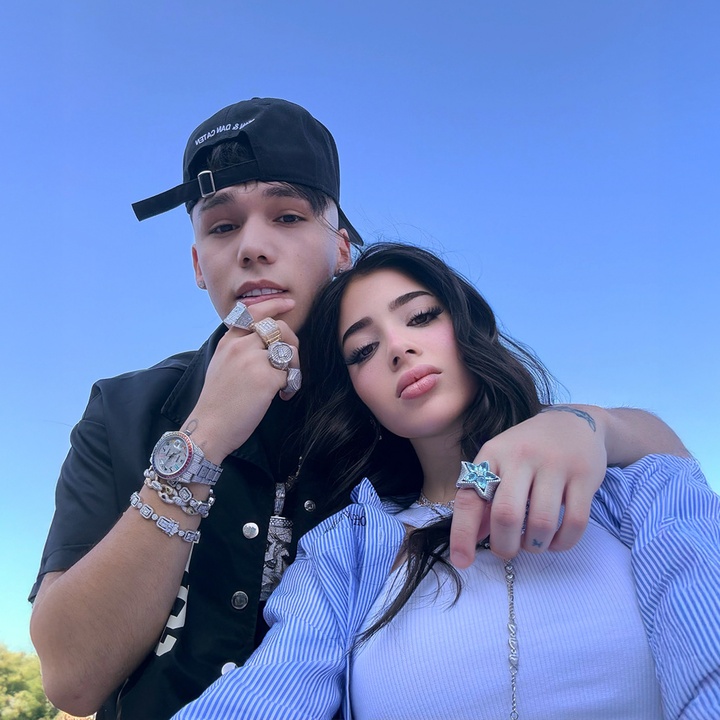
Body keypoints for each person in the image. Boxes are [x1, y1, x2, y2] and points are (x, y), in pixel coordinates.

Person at [28, 98, 691, 720]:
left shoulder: (405, 409)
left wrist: (585, 424)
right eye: (222, 226)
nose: (252, 246)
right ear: (199, 263)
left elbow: (659, 480)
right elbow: (71, 679)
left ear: (342, 245)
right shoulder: (125, 410)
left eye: (288, 217)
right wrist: (200, 442)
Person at [172, 242, 720, 720]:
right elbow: (272, 689)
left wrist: (588, 422)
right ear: (357, 394)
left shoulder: (631, 492)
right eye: (362, 351)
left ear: (467, 326)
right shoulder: (347, 551)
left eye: (420, 316)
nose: (397, 348)